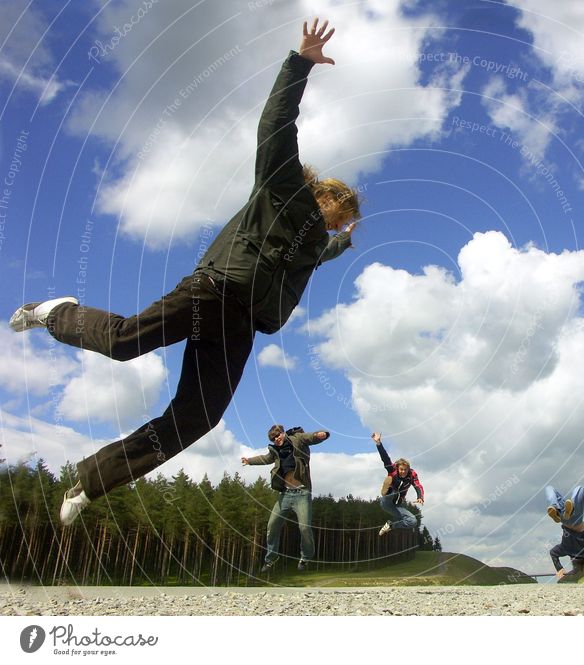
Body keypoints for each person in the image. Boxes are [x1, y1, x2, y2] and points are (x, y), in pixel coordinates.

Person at [9, 19, 361, 526]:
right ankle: (56, 312)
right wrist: (299, 63)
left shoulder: (313, 247)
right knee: (126, 341)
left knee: (199, 417)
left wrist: (341, 246)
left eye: (343, 224)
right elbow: (275, 125)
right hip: (211, 293)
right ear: (325, 197)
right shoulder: (280, 187)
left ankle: (90, 482)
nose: (338, 225)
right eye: (340, 216)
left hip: (240, 327)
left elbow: (319, 257)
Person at [242, 425, 328, 572]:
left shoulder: (297, 439)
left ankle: (305, 557)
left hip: (302, 493)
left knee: (304, 528)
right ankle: (271, 558)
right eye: (273, 438)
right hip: (285, 495)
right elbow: (266, 458)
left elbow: (310, 437)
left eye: (278, 435)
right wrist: (249, 461)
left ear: (283, 433)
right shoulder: (275, 450)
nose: (277, 439)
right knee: (272, 526)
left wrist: (321, 435)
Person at [371, 432, 424, 536]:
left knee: (413, 521)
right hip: (387, 501)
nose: (403, 472)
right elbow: (385, 458)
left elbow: (418, 485)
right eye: (401, 469)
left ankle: (390, 526)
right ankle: (386, 489)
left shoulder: (412, 475)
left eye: (405, 470)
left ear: (408, 469)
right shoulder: (393, 470)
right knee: (392, 486)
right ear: (398, 468)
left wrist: (420, 496)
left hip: (397, 505)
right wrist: (378, 443)